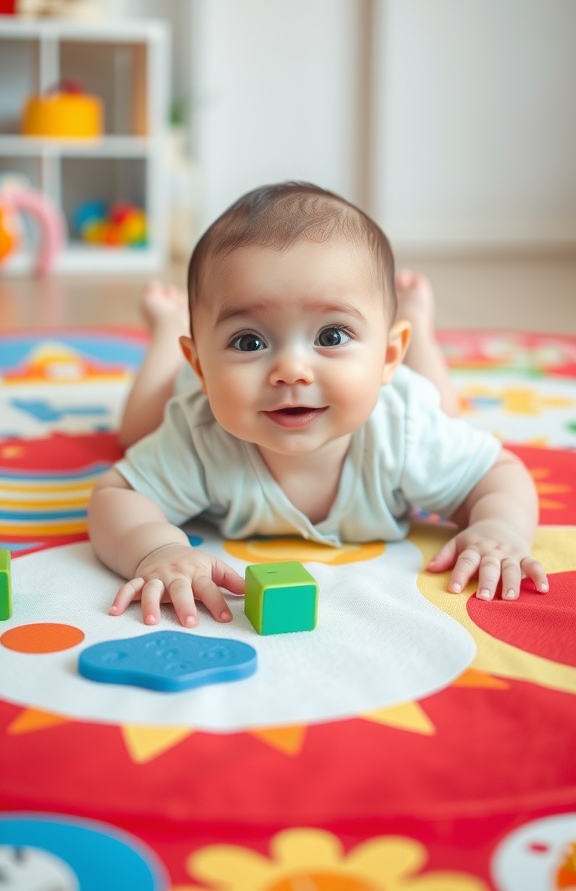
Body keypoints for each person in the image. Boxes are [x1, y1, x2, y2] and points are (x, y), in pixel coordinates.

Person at [88, 181, 548, 628]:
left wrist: (499, 528)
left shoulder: (405, 431)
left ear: (389, 354)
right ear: (202, 368)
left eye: (331, 336)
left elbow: (497, 474)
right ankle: (170, 332)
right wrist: (155, 549)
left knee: (443, 411)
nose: (292, 370)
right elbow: (118, 495)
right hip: (208, 387)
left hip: (401, 396)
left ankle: (417, 326)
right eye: (248, 341)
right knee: (136, 432)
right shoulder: (200, 437)